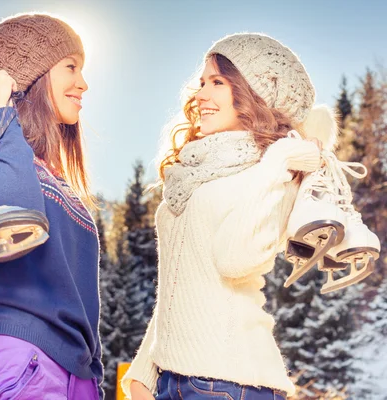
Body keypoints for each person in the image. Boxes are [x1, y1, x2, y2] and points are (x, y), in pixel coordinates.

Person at [122, 33, 329, 400]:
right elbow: (181, 283)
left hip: (231, 382)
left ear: (255, 94)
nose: (201, 94)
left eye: (218, 82)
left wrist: (277, 162)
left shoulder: (275, 172)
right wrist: (142, 373)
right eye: (202, 82)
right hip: (175, 381)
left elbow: (236, 259)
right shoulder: (194, 171)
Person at [0, 13, 103, 399]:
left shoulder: (52, 174)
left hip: (73, 373)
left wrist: (90, 380)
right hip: (14, 359)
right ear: (30, 74)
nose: (83, 83)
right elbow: (17, 223)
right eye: (71, 67)